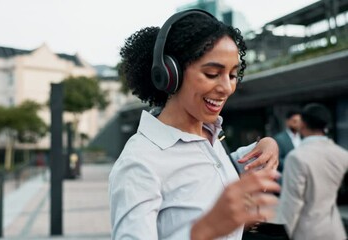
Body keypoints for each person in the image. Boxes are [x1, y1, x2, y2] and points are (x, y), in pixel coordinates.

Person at [109, 9, 281, 240]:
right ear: (171, 73)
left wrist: (267, 145)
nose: (227, 88)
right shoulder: (139, 163)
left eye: (232, 75)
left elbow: (213, 170)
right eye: (212, 73)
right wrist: (206, 229)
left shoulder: (208, 136)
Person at [276, 103, 348, 240]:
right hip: (335, 230)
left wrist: (282, 235)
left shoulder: (296, 157)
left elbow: (291, 204)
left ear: (302, 125)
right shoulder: (342, 155)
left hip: (307, 232)